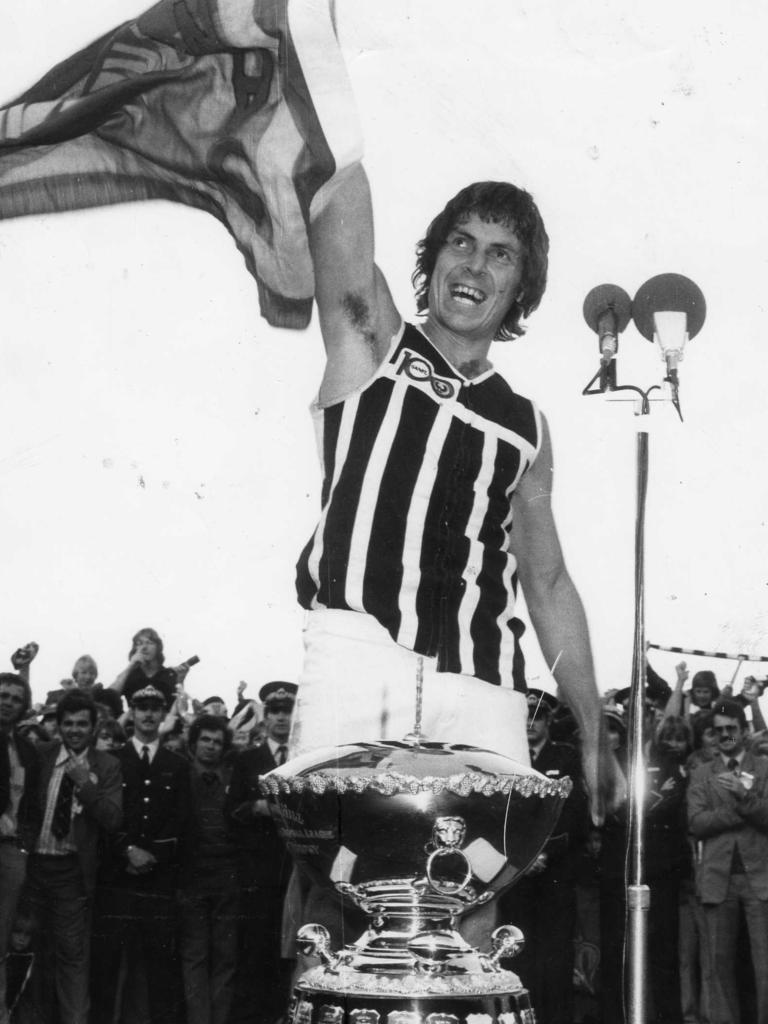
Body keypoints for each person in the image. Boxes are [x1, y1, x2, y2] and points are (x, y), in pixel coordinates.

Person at [285, 9, 610, 820]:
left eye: (500, 254)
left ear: (520, 290)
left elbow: (547, 578)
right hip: (359, 655)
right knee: (338, 889)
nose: (475, 263)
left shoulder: (525, 424)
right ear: (432, 263)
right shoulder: (375, 342)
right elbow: (334, 201)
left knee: (476, 896)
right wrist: (312, 58)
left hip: (485, 677)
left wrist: (593, 720)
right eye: (460, 242)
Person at [91, 682, 191, 1024]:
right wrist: (127, 851)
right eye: (141, 707)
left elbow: (181, 819)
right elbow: (103, 817)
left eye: (155, 708)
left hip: (158, 880)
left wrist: (153, 856)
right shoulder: (111, 761)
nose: (148, 714)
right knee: (107, 966)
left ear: (164, 714)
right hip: (117, 878)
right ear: (131, 713)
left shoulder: (176, 764)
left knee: (161, 968)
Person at [27, 690, 122, 1024]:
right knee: (27, 951)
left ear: (94, 727)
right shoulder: (40, 754)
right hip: (33, 868)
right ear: (58, 725)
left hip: (71, 873)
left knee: (72, 956)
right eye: (68, 723)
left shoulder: (106, 765)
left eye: (82, 723)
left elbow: (112, 818)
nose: (75, 730)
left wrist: (86, 785)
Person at [498, 689, 589, 1024]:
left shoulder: (566, 757)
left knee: (555, 954)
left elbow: (574, 812)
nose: (531, 723)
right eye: (526, 715)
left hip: (555, 871)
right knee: (516, 952)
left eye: (538, 715)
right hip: (515, 871)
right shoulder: (508, 757)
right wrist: (522, 856)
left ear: (550, 720)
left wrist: (544, 853)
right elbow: (503, 816)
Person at [688, 697, 768, 1024]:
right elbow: (696, 823)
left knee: (765, 966)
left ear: (745, 730)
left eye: (732, 729)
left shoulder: (764, 768)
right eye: (719, 730)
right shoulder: (702, 773)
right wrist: (740, 809)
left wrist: (743, 794)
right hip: (717, 880)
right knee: (717, 967)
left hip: (760, 880)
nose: (725, 735)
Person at [227, 682, 296, 1024]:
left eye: (288, 711)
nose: (282, 718)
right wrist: (258, 807)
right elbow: (231, 810)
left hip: (295, 873)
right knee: (254, 953)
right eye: (276, 711)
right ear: (265, 717)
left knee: (289, 954)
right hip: (257, 873)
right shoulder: (248, 760)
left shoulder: (303, 758)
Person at [178, 715, 239, 1024]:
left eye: (217, 741)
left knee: (225, 957)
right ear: (193, 743)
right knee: (195, 956)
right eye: (205, 739)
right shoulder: (182, 776)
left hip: (227, 876)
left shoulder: (230, 778)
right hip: (192, 877)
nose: (211, 746)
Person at [0, 673, 40, 1024]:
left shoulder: (27, 748)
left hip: (12, 852)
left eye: (15, 697)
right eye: (2, 695)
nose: (8, 702)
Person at [110, 627, 189, 707]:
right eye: (139, 644)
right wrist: (130, 666)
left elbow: (182, 709)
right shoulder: (130, 675)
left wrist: (180, 681)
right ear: (135, 649)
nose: (144, 647)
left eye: (149, 642)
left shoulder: (169, 674)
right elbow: (108, 697)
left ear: (158, 647)